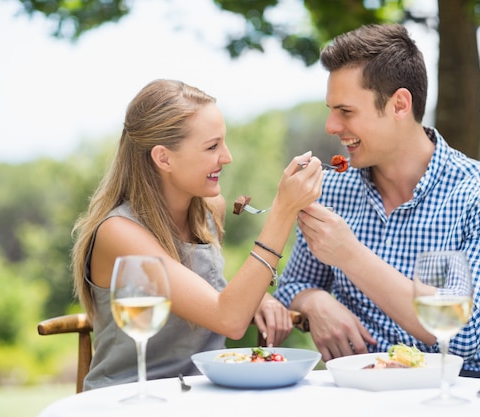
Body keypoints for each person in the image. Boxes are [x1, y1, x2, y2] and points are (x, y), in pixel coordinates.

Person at [274, 23, 480, 380]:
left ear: (399, 105)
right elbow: (293, 285)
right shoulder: (333, 189)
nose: (331, 125)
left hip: (470, 385)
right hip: (364, 386)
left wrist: (350, 255)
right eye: (331, 110)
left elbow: (462, 334)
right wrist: (315, 302)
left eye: (346, 111)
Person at [71, 79, 323, 390]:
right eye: (212, 146)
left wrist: (256, 298)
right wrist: (283, 211)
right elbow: (228, 319)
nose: (227, 157)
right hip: (132, 398)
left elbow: (199, 289)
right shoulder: (119, 233)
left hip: (206, 393)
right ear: (163, 158)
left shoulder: (208, 210)